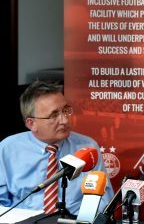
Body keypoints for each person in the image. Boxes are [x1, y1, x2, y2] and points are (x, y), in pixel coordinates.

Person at [0, 81, 114, 215]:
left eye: (65, 111)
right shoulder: (8, 148)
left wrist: (83, 220)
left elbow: (103, 197)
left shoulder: (87, 147)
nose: (65, 120)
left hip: (73, 222)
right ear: (32, 123)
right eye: (54, 115)